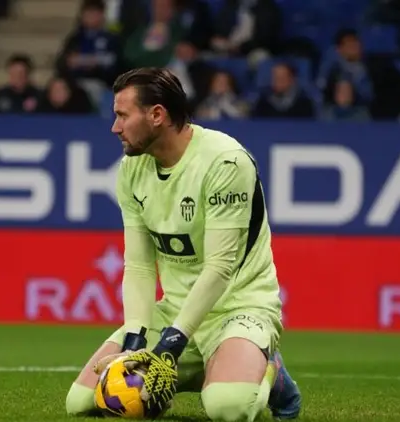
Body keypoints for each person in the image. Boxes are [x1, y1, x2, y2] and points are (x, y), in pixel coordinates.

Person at [64, 67, 302, 421]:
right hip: (175, 311)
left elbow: (220, 267)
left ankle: (271, 372)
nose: (115, 127)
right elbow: (140, 266)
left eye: (122, 115)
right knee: (82, 402)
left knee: (228, 408)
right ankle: (219, 368)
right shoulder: (131, 169)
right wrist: (135, 343)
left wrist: (169, 345)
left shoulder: (225, 162)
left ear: (157, 115)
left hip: (238, 309)